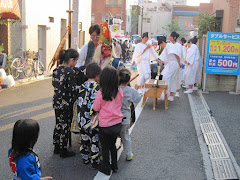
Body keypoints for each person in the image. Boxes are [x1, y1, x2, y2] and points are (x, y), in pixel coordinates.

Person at [92, 66, 123, 176]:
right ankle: (114, 166)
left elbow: (96, 107)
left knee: (105, 148)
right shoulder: (119, 91)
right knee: (112, 145)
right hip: (117, 124)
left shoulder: (101, 93)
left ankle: (106, 168)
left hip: (105, 125)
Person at [52, 49, 78, 158]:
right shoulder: (70, 72)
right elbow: (72, 89)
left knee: (58, 123)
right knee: (65, 125)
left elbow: (55, 85)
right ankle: (63, 149)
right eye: (76, 61)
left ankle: (56, 146)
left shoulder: (56, 70)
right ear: (71, 60)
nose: (76, 63)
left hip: (57, 101)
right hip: (66, 103)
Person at [76, 62, 102, 169]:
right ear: (97, 75)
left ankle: (85, 158)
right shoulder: (97, 87)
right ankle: (94, 161)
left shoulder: (81, 86)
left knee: (84, 139)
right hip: (91, 120)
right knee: (94, 140)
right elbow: (96, 105)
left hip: (80, 118)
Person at [119, 68, 141, 161]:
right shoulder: (131, 90)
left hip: (113, 117)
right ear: (128, 80)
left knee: (111, 138)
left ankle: (107, 155)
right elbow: (137, 99)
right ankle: (128, 154)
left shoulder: (115, 89)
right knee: (125, 136)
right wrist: (137, 90)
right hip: (125, 117)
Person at [159, 32, 182, 101]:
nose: (169, 38)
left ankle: (165, 94)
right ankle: (170, 95)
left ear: (174, 37)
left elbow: (176, 55)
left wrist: (179, 62)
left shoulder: (171, 45)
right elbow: (166, 54)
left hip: (173, 63)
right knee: (172, 79)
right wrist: (163, 61)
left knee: (166, 77)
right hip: (173, 63)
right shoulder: (176, 45)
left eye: (171, 36)